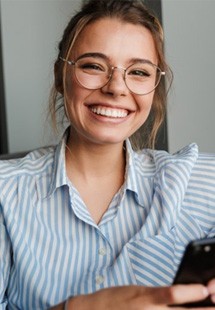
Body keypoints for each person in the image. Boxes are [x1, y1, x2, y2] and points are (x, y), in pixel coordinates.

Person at [1, 0, 215, 309]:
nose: (116, 87)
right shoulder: (5, 193)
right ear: (61, 75)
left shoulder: (194, 180)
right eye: (93, 66)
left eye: (139, 71)